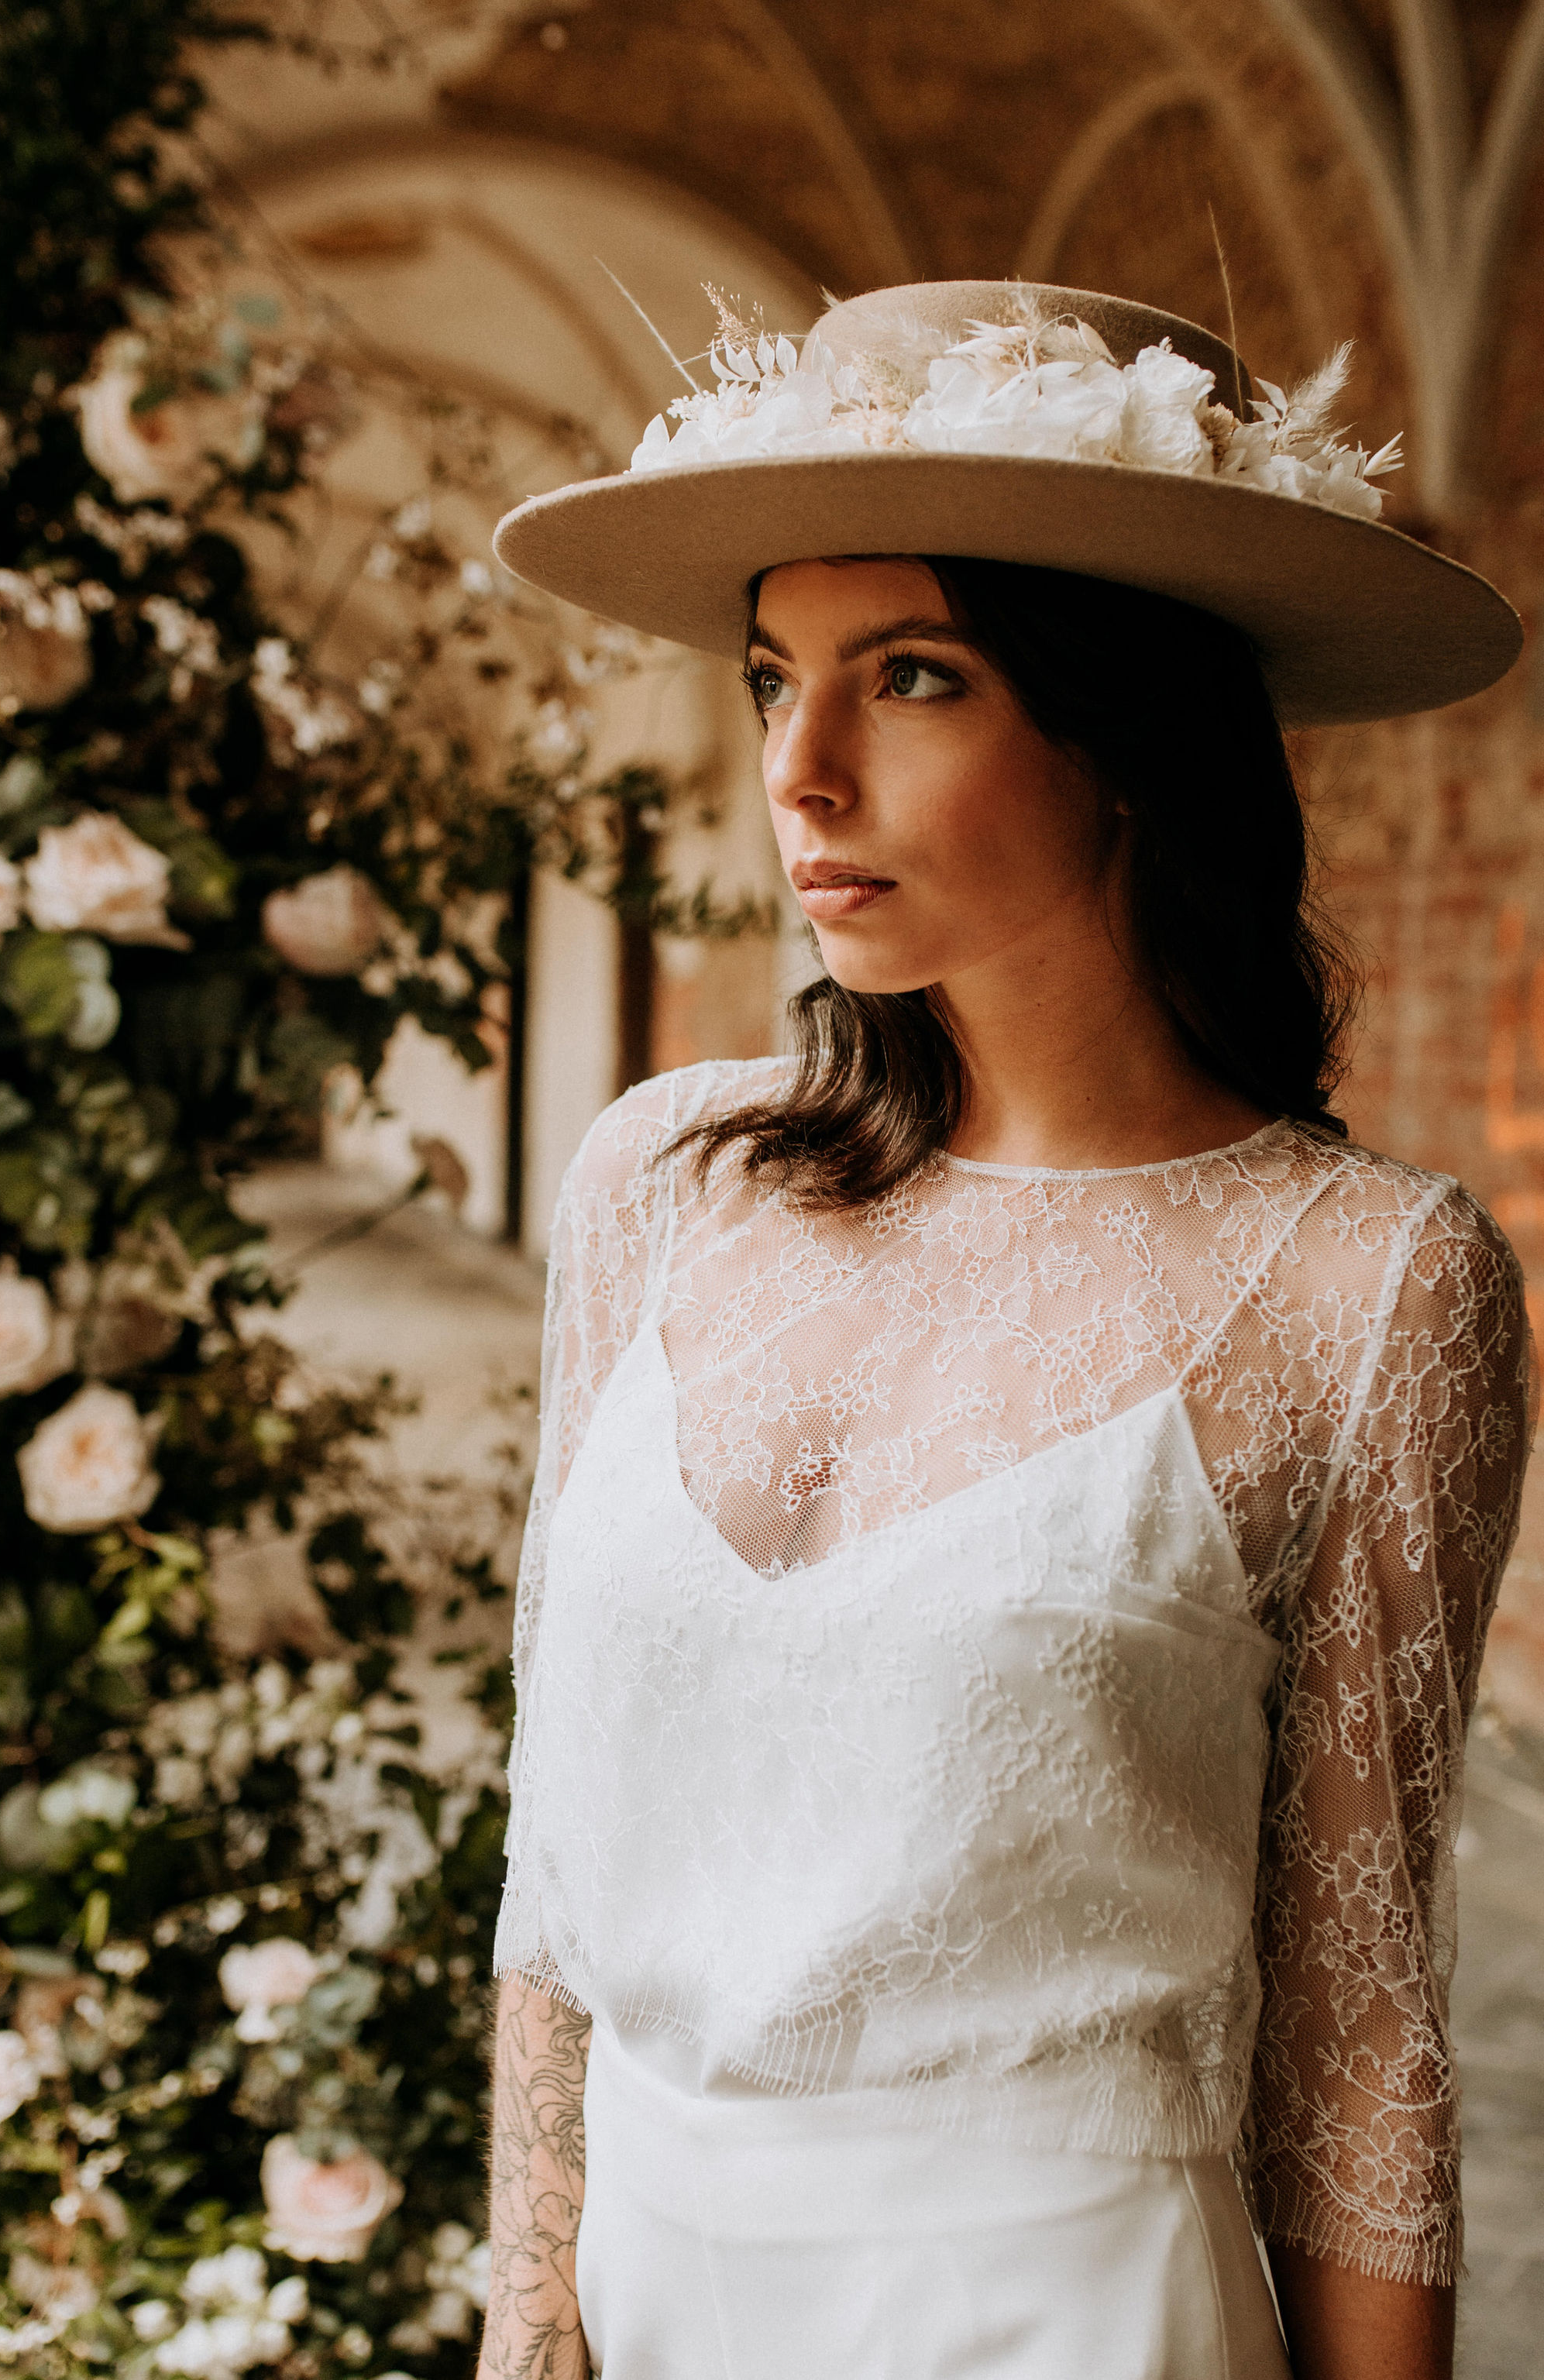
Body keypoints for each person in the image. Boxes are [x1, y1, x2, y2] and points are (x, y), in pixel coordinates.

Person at [476, 281, 1532, 2380]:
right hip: (651, 2283)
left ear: (1131, 736)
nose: (803, 766)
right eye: (776, 677)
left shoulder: (1369, 1280)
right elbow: (557, 1850)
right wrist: (527, 2297)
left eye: (917, 678)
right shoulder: (662, 1184)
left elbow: (1359, 2018)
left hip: (1067, 2312)